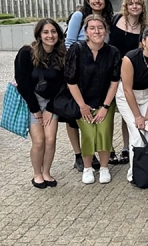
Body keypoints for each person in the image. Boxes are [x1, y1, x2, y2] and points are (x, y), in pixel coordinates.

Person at [64, 15, 121, 184]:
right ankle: (88, 168)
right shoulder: (77, 49)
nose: (97, 31)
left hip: (105, 101)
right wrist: (82, 106)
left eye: (100, 27)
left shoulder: (113, 52)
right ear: (86, 32)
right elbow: (70, 80)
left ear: (106, 31)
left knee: (103, 132)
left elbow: (114, 82)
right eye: (92, 28)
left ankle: (104, 167)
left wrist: (105, 106)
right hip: (82, 102)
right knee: (89, 134)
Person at [15, 18, 66, 188]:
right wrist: (35, 109)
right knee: (39, 141)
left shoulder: (61, 54)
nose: (50, 35)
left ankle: (46, 172)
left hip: (52, 103)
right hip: (32, 102)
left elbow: (62, 84)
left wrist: (50, 108)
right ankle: (37, 173)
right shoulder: (26, 53)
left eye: (53, 32)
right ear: (39, 34)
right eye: (46, 32)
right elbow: (22, 83)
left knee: (50, 139)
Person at [115, 26, 148, 183]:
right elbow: (127, 89)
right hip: (127, 97)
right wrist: (138, 116)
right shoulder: (130, 58)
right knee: (137, 133)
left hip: (147, 96)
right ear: (144, 41)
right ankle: (135, 174)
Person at [109, 0, 148, 165]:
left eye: (138, 4)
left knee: (128, 113)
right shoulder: (116, 20)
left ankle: (126, 147)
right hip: (110, 72)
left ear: (142, 7)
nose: (134, 6)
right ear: (126, 5)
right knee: (108, 112)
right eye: (131, 3)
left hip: (128, 75)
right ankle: (108, 148)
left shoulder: (144, 28)